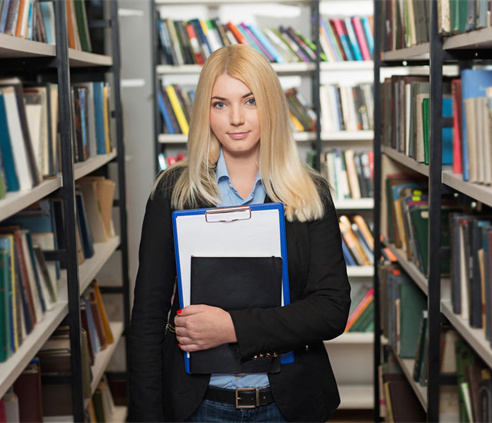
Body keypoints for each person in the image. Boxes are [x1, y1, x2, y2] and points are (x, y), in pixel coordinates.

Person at [129, 44, 351, 422]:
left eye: (250, 101)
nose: (235, 118)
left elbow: (331, 310)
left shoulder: (311, 193)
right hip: (199, 406)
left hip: (287, 405)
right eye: (220, 104)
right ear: (205, 112)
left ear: (270, 106)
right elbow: (147, 321)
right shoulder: (172, 193)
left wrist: (230, 328)